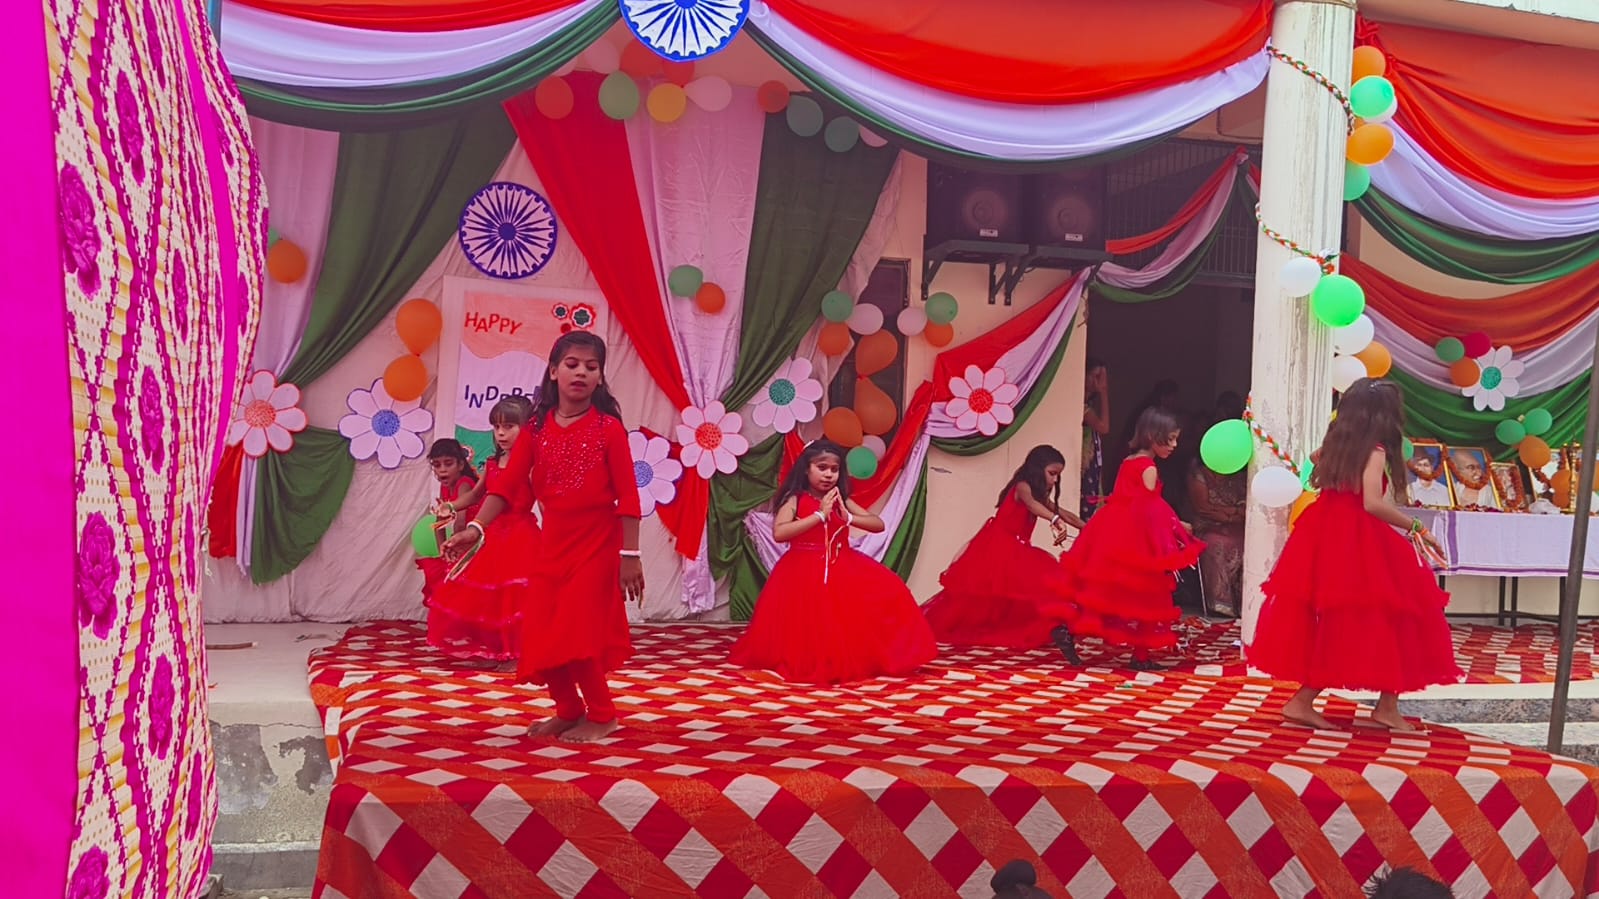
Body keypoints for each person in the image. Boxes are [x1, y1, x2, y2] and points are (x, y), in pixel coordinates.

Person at [444, 332, 642, 743]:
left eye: (591, 367)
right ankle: (568, 709)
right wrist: (476, 529)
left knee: (575, 632)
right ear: (553, 371)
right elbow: (505, 486)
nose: (581, 372)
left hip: (597, 544)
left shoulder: (609, 430)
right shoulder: (535, 429)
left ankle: (603, 714)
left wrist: (630, 555)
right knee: (541, 630)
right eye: (572, 364)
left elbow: (628, 497)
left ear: (600, 377)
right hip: (553, 544)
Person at [1248, 378, 1461, 731]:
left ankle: (1323, 702)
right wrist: (1416, 528)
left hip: (1325, 533)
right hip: (1358, 539)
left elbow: (1315, 461)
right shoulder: (1374, 452)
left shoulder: (1337, 445)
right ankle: (1373, 707)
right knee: (1391, 616)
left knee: (1346, 621)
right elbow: (1372, 504)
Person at [731, 439, 937, 684]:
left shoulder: (842, 499)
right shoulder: (795, 499)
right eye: (822, 467)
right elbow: (780, 532)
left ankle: (867, 657)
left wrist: (848, 517)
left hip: (842, 565)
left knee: (886, 594)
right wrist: (819, 515)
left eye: (834, 469)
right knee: (810, 620)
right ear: (806, 469)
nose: (829, 474)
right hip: (802, 568)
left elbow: (878, 525)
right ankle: (810, 660)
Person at [1061, 407, 1203, 670]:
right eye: (1170, 438)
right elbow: (1150, 508)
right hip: (1135, 538)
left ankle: (1070, 630)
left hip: (1112, 531)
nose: (1174, 445)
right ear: (1152, 435)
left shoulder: (1129, 460)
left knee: (1105, 593)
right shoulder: (1148, 467)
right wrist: (1177, 525)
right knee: (1148, 596)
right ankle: (1140, 656)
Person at [923, 446, 1087, 660]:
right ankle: (1055, 627)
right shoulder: (1022, 487)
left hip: (1017, 547)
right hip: (1000, 545)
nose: (1055, 480)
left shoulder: (1038, 494)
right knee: (973, 598)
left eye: (1058, 475)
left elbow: (1062, 513)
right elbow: (1032, 505)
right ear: (1038, 469)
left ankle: (1056, 627)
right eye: (1052, 473)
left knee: (1033, 587)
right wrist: (1054, 520)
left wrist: (1087, 527)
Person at [426, 402, 539, 665]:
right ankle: (494, 650)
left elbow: (545, 501)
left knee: (516, 599)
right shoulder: (492, 462)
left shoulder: (532, 465)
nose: (501, 433)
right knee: (489, 599)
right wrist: (450, 506)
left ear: (526, 429)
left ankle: (518, 655)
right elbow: (477, 495)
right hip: (492, 534)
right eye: (496, 426)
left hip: (522, 536)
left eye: (509, 426)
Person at [1186, 393, 1247, 616]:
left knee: (1248, 541)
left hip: (1236, 522)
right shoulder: (1198, 472)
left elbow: (1246, 505)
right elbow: (1202, 508)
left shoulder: (1240, 472)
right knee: (1217, 543)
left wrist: (1234, 514)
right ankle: (1220, 604)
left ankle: (1244, 603)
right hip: (1208, 525)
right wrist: (1231, 514)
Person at [415, 438, 480, 608]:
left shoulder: (464, 484)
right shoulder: (445, 487)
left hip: (476, 542)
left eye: (448, 463)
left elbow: (460, 522)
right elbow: (440, 521)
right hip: (462, 542)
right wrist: (442, 551)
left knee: (468, 588)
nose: (442, 469)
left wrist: (456, 551)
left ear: (460, 464)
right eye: (437, 465)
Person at [1081, 359, 1110, 520]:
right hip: (1083, 463)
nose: (1097, 382)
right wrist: (1104, 392)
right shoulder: (1083, 406)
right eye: (1094, 376)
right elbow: (1104, 427)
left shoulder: (1089, 403)